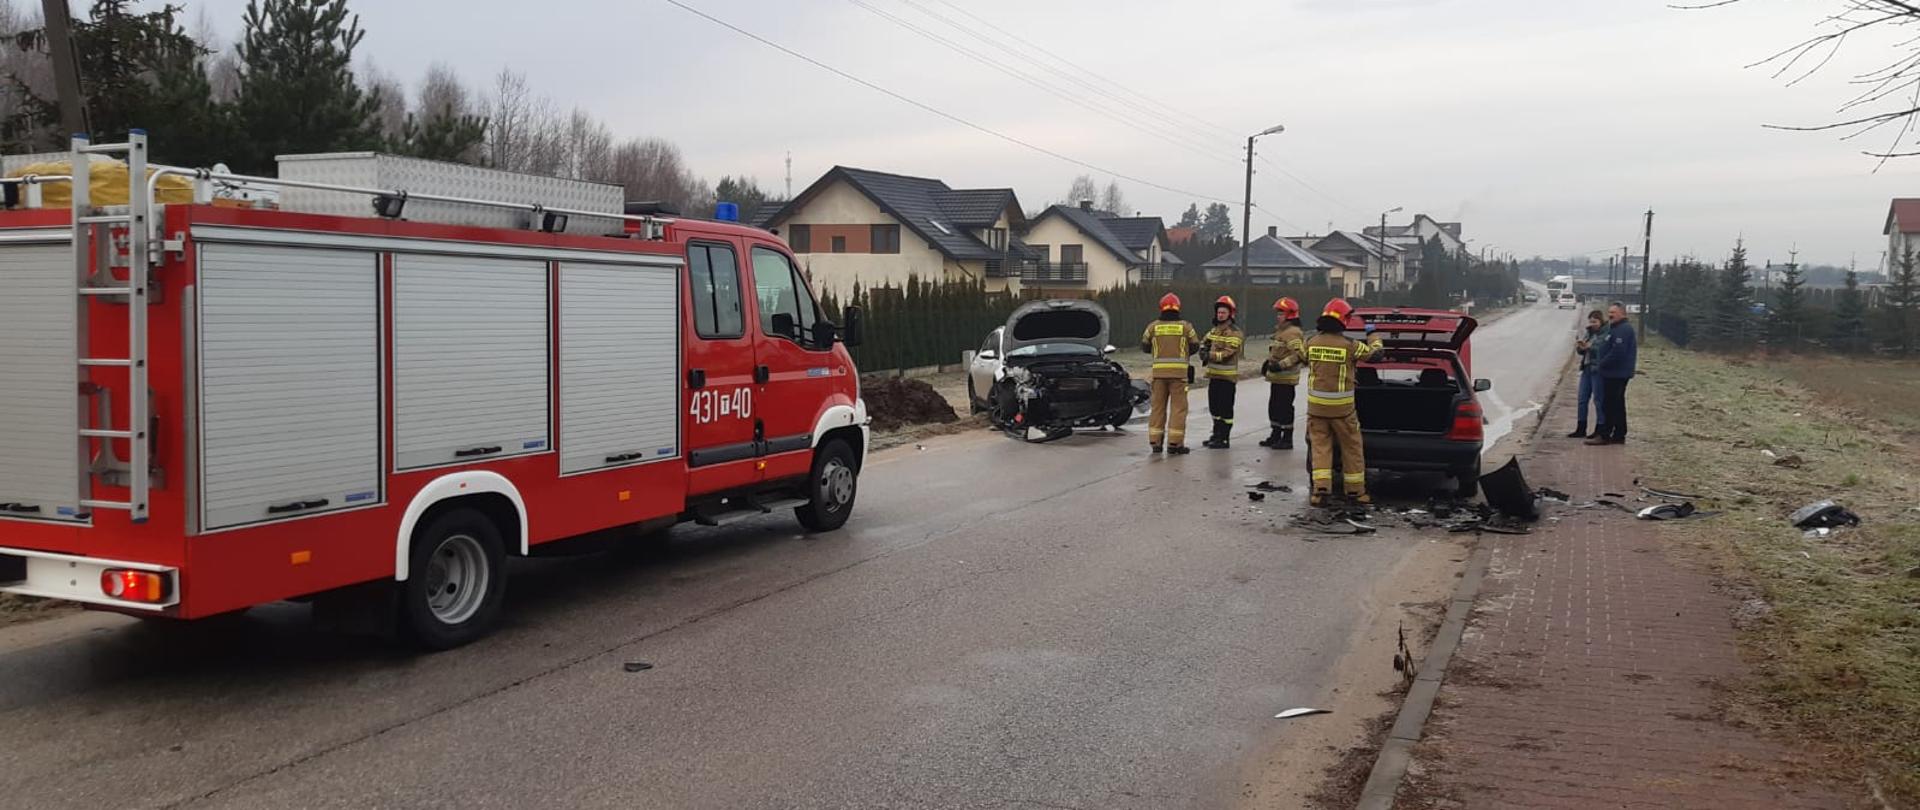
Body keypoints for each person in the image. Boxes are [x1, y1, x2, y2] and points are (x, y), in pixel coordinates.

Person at [1292, 298, 1383, 506]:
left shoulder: (1312, 342)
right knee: (1351, 448)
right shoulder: (1350, 346)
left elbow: (1299, 358)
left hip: (1317, 409)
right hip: (1343, 411)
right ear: (1344, 321)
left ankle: (1321, 490)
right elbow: (1376, 355)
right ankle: (1355, 492)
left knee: (1320, 449)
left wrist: (1277, 365)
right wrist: (1373, 334)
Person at [1140, 293, 1202, 454]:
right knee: (1178, 409)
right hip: (1179, 375)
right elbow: (1195, 346)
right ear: (1178, 307)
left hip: (1159, 375)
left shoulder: (1152, 327)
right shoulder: (1186, 327)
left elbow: (1145, 346)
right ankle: (1175, 444)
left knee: (1157, 408)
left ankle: (1155, 442)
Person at [1586, 302, 1637, 446]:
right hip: (1613, 373)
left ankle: (1605, 435)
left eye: (1613, 312)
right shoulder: (1615, 328)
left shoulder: (1623, 329)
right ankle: (1619, 434)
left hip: (1616, 373)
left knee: (1609, 405)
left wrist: (1602, 363)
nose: (1610, 315)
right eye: (1609, 312)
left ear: (1622, 313)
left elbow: (1618, 353)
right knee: (1617, 405)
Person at [1259, 297, 1306, 449]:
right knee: (1274, 406)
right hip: (1276, 379)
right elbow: (1276, 351)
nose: (1277, 316)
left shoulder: (1293, 333)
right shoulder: (1281, 331)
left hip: (1286, 379)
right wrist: (1268, 363)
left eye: (1281, 313)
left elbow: (1298, 355)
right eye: (1277, 313)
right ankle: (1275, 434)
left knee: (1284, 408)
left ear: (1290, 315)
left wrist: (1281, 365)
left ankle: (1287, 438)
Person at [1200, 295, 1244, 449]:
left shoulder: (1235, 333)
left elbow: (1227, 353)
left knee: (1225, 409)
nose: (1220, 315)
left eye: (1223, 312)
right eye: (1218, 312)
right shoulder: (1214, 330)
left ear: (1230, 314)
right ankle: (1216, 434)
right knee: (1214, 408)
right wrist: (1203, 349)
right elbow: (1204, 341)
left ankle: (1224, 438)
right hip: (1214, 376)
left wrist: (1209, 355)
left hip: (1227, 379)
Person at [1567, 310, 1608, 438]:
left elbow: (1603, 348)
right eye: (1591, 322)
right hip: (1586, 367)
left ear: (1601, 321)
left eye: (1595, 322)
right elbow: (1582, 350)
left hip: (1597, 369)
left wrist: (1590, 347)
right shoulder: (1589, 332)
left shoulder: (1606, 333)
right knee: (1582, 399)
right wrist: (1581, 347)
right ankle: (1581, 427)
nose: (1592, 324)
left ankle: (1600, 427)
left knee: (1598, 400)